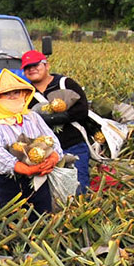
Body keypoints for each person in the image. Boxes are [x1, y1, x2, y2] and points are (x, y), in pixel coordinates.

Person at [0, 70, 61, 220]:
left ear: (24, 95)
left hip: (40, 177)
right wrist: (26, 169)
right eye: (6, 94)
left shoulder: (32, 117)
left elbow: (52, 138)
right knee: (11, 220)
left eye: (16, 92)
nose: (12, 96)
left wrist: (53, 158)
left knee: (42, 216)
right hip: (10, 181)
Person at [21, 50, 99, 194]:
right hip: (45, 152)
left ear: (46, 65)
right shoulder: (25, 92)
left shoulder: (65, 83)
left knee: (78, 186)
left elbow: (82, 110)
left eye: (35, 65)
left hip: (73, 144)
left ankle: (78, 211)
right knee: (51, 191)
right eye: (27, 67)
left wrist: (58, 117)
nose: (31, 69)